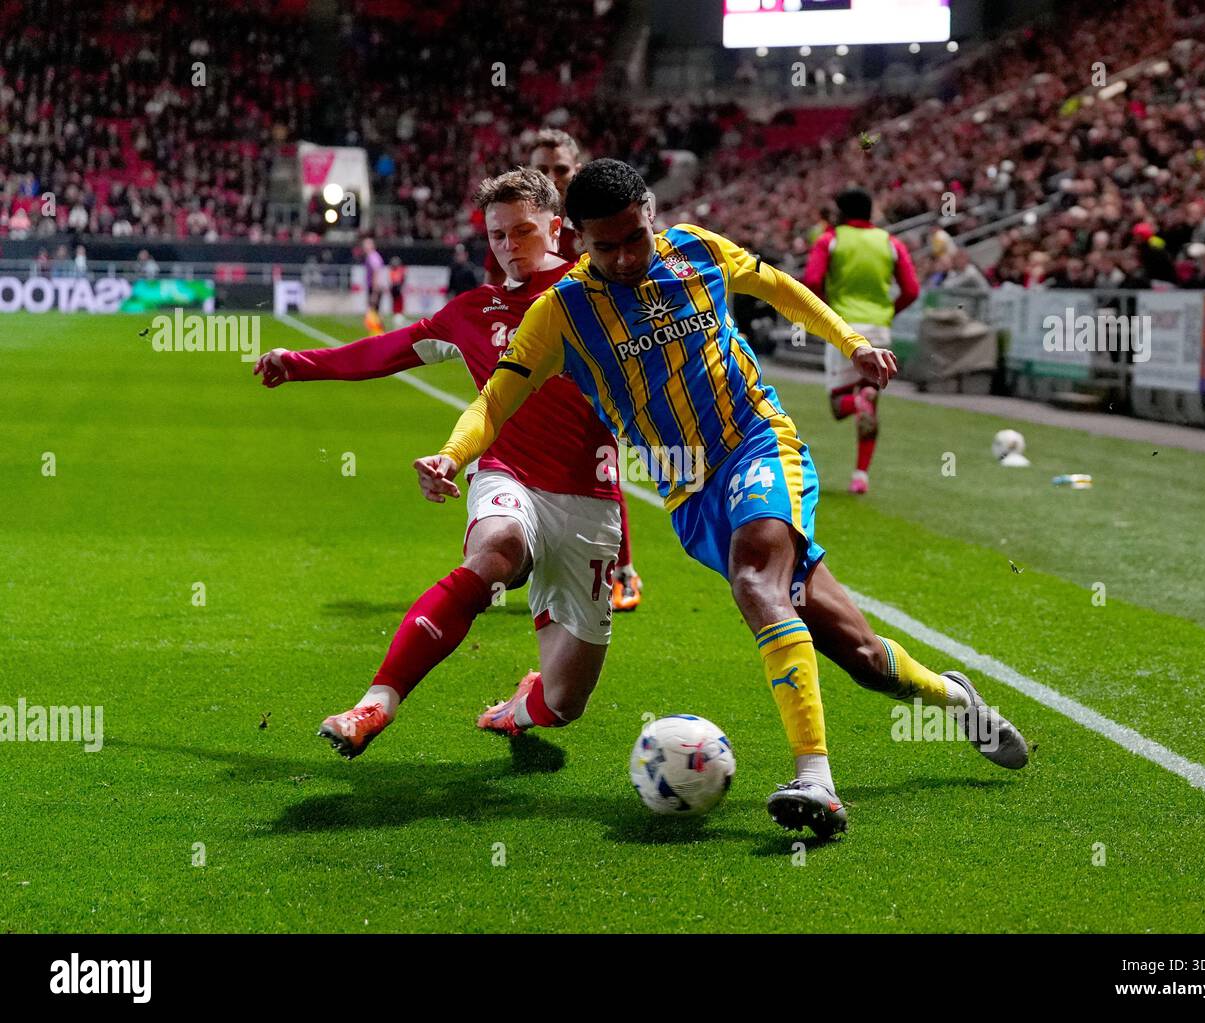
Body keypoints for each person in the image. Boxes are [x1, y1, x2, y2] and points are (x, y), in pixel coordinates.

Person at [416, 160, 1029, 839]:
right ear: (577, 241)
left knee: (754, 579)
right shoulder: (561, 312)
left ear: (652, 215)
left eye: (636, 238)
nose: (626, 257)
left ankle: (815, 778)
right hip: (690, 493)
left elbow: (779, 288)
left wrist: (852, 342)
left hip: (758, 443)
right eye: (606, 246)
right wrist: (453, 455)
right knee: (858, 654)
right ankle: (952, 695)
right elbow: (493, 401)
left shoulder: (697, 251)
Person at [254, 169, 626, 757]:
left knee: (563, 703)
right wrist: (299, 363)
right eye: (497, 235)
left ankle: (520, 707)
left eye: (523, 231)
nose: (509, 246)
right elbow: (387, 351)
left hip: (589, 500)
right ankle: (376, 703)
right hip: (507, 474)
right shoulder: (473, 311)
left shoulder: (598, 292)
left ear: (557, 227)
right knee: (498, 549)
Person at [485, 126, 644, 612]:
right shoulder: (522, 228)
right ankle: (529, 550)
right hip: (539, 360)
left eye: (561, 169)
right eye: (543, 168)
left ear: (577, 170)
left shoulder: (596, 228)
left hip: (596, 360)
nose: (552, 176)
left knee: (601, 456)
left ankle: (622, 570)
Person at [804, 188, 918, 494]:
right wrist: (888, 313)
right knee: (871, 403)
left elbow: (812, 280)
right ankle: (860, 476)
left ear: (842, 212)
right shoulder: (890, 242)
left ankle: (857, 401)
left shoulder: (830, 240)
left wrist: (824, 313)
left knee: (839, 405)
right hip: (879, 331)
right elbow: (911, 289)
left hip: (844, 329)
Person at [361, 237, 385, 335]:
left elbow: (376, 272)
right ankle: (378, 334)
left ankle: (378, 334)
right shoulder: (373, 256)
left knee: (373, 311)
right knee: (374, 312)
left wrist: (374, 291)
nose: (364, 247)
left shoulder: (372, 256)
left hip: (375, 287)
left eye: (366, 244)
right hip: (375, 287)